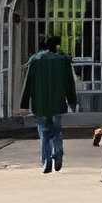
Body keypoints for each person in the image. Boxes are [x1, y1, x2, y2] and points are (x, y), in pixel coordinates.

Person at [21, 33, 80, 173]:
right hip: (57, 103)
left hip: (40, 104)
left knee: (44, 132)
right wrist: (72, 101)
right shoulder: (63, 61)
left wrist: (24, 102)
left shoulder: (35, 60)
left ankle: (46, 161)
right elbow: (69, 84)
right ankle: (58, 152)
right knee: (57, 131)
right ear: (56, 47)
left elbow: (28, 82)